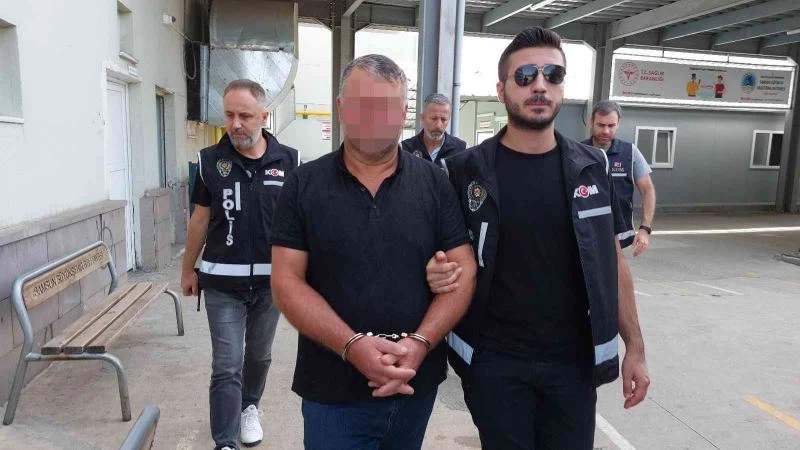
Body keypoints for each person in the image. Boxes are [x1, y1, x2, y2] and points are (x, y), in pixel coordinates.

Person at [428, 27, 650, 450]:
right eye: (525, 75)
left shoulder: (593, 167)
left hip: (573, 364)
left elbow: (614, 262)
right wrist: (435, 269)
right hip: (495, 363)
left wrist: (635, 347)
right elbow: (443, 254)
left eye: (553, 75)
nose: (540, 86)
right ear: (502, 90)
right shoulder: (464, 171)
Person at [269, 54, 477, 450]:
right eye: (363, 104)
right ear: (342, 108)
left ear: (404, 113)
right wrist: (352, 347)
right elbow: (285, 281)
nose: (375, 118)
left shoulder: (435, 184)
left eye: (386, 106)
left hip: (414, 384)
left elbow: (463, 269)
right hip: (332, 390)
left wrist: (420, 343)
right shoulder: (303, 185)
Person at [181, 79, 298, 450]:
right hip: (221, 284)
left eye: (245, 116)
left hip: (271, 284)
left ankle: (250, 406)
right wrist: (187, 269)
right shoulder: (209, 162)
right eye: (229, 115)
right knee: (227, 363)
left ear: (263, 116)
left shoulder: (289, 161)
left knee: (259, 356)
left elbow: (301, 222)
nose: (235, 124)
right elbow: (200, 218)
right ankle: (225, 441)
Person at [583, 100, 656, 256]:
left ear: (618, 124)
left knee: (617, 268)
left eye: (611, 125)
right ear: (591, 122)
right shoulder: (578, 152)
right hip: (586, 233)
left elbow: (647, 190)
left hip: (619, 234)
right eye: (601, 125)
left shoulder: (630, 152)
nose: (606, 131)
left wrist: (645, 229)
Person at [401, 93, 467, 166]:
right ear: (422, 118)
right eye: (434, 118)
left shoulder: (462, 150)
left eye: (444, 119)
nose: (438, 125)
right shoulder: (404, 150)